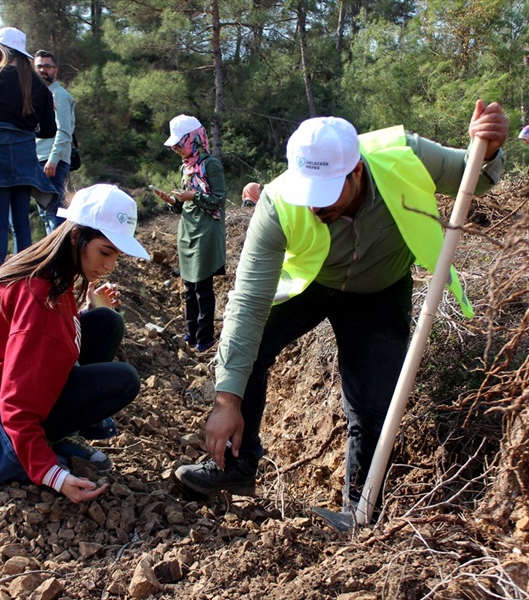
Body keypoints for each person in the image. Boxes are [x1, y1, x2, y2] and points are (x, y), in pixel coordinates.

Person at [174, 100, 509, 515]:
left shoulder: (403, 154)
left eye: (327, 195)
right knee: (251, 350)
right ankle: (238, 467)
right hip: (311, 283)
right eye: (309, 196)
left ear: (357, 171)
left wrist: (489, 146)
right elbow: (247, 303)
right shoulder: (277, 204)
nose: (316, 208)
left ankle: (361, 508)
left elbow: (472, 173)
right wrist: (226, 402)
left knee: (372, 402)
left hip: (379, 289)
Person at [0, 184, 150, 503]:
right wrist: (54, 474)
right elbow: (17, 400)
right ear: (77, 237)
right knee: (123, 381)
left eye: (115, 256)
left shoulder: (53, 270)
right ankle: (34, 441)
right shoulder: (42, 297)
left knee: (106, 322)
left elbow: (50, 337)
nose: (109, 266)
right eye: (105, 252)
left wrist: (90, 311)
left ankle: (62, 431)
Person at [0, 27, 59, 276]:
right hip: (23, 155)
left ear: (0, 49)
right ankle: (20, 279)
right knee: (21, 224)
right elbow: (49, 130)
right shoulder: (39, 86)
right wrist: (26, 131)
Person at [152, 114, 227, 353]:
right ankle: (191, 333)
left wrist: (193, 196)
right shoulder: (186, 167)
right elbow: (183, 203)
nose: (176, 149)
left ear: (194, 138)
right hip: (187, 232)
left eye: (179, 143)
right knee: (188, 287)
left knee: (202, 288)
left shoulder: (210, 164)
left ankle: (205, 337)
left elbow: (219, 198)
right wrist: (172, 200)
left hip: (205, 232)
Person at [33, 50, 76, 235]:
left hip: (52, 163)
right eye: (39, 66)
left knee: (55, 214)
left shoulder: (59, 95)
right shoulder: (40, 96)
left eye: (47, 66)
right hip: (40, 160)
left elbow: (65, 131)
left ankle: (59, 258)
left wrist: (54, 158)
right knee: (46, 214)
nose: (43, 70)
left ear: (55, 70)